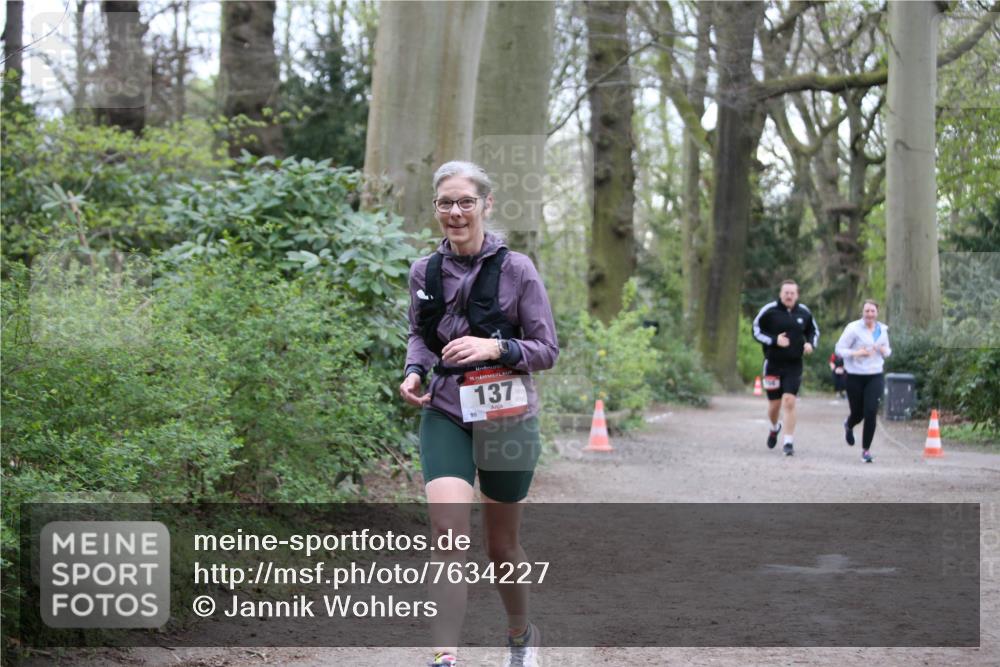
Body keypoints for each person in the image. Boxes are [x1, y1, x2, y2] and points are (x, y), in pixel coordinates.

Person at [398, 161, 558, 667]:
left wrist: (494, 348)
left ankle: (520, 633)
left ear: (486, 205)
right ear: (436, 209)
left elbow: (546, 349)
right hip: (446, 411)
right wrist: (415, 371)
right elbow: (421, 336)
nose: (455, 212)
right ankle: (445, 655)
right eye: (446, 203)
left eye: (465, 201)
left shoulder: (518, 270)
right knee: (448, 536)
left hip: (506, 416)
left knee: (501, 548)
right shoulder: (424, 271)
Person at [751, 280, 819, 456]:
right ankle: (774, 427)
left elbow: (813, 331)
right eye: (786, 292)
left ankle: (788, 442)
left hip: (794, 364)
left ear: (797, 295)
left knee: (789, 401)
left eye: (792, 293)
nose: (789, 296)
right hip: (773, 364)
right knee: (774, 405)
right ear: (781, 294)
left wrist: (810, 344)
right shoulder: (770, 310)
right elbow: (756, 330)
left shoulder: (804, 312)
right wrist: (775, 340)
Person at [835, 299, 891, 463]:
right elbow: (839, 349)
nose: (869, 314)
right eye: (867, 311)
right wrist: (856, 353)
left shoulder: (882, 330)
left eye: (872, 311)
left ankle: (866, 450)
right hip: (854, 375)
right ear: (862, 312)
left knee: (871, 411)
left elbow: (888, 350)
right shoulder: (853, 328)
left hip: (875, 374)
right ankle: (849, 424)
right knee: (858, 413)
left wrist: (882, 350)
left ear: (877, 313)